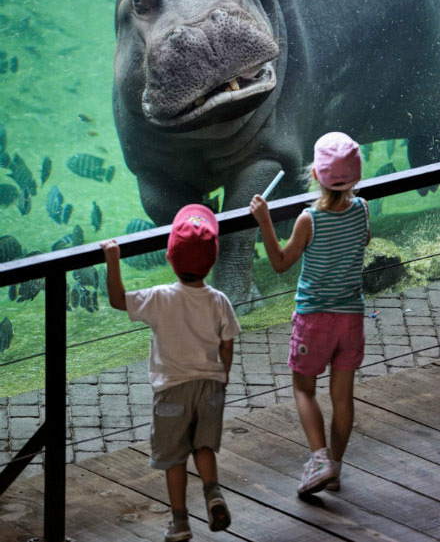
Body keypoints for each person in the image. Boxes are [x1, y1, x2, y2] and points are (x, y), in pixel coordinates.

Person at [100, 204, 240, 541]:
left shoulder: (159, 298)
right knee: (203, 447)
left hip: (171, 391)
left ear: (168, 256)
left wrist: (113, 258)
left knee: (174, 457)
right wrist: (223, 375)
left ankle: (180, 522)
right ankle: (213, 493)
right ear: (213, 259)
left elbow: (119, 300)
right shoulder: (219, 299)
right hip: (209, 387)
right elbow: (227, 344)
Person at [250, 132, 370, 497]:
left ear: (315, 175)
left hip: (314, 320)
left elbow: (281, 263)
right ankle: (334, 465)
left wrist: (264, 221)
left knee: (304, 389)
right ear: (357, 177)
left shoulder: (308, 220)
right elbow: (362, 241)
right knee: (343, 398)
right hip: (351, 319)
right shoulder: (362, 208)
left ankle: (319, 460)